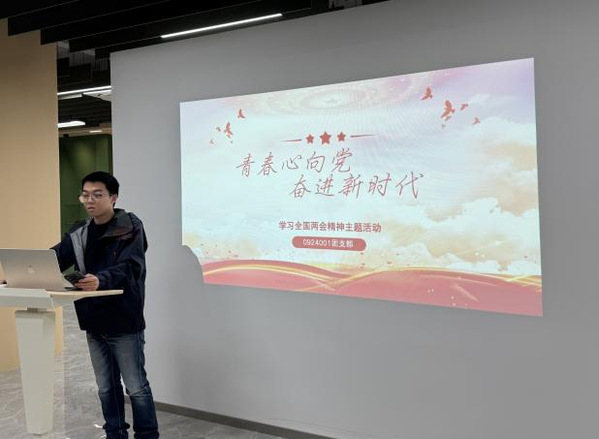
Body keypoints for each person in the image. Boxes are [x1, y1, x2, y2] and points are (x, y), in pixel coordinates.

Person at [52, 171, 159, 439]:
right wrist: (22, 273)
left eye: (97, 195)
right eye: (85, 195)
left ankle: (147, 435)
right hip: (93, 319)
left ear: (113, 198)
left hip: (124, 320)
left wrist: (101, 279)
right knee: (105, 387)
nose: (90, 200)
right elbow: (56, 257)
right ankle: (115, 433)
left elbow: (131, 266)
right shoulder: (79, 232)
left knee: (136, 387)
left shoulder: (130, 226)